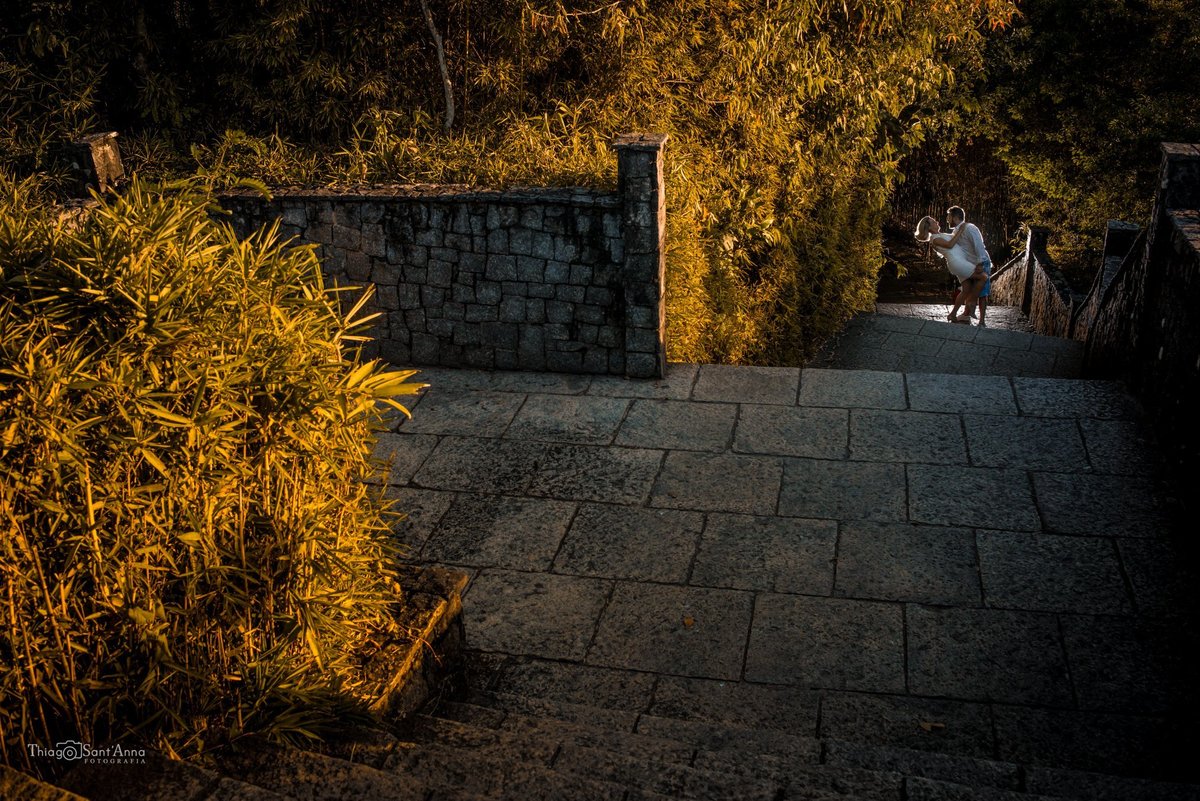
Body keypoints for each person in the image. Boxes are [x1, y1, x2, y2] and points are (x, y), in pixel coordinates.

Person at [913, 214, 986, 323]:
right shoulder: (934, 239)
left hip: (961, 262)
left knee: (966, 289)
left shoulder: (940, 235)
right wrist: (961, 230)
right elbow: (950, 244)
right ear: (929, 227)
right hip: (958, 263)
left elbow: (955, 239)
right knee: (983, 277)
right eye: (933, 221)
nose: (936, 222)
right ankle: (972, 302)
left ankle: (952, 314)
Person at [945, 206, 991, 326]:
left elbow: (979, 245)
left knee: (982, 293)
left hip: (981, 262)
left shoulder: (970, 228)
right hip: (970, 264)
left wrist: (980, 263)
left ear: (955, 217)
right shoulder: (956, 232)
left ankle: (982, 321)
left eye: (948, 217)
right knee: (969, 289)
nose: (947, 219)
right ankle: (966, 315)